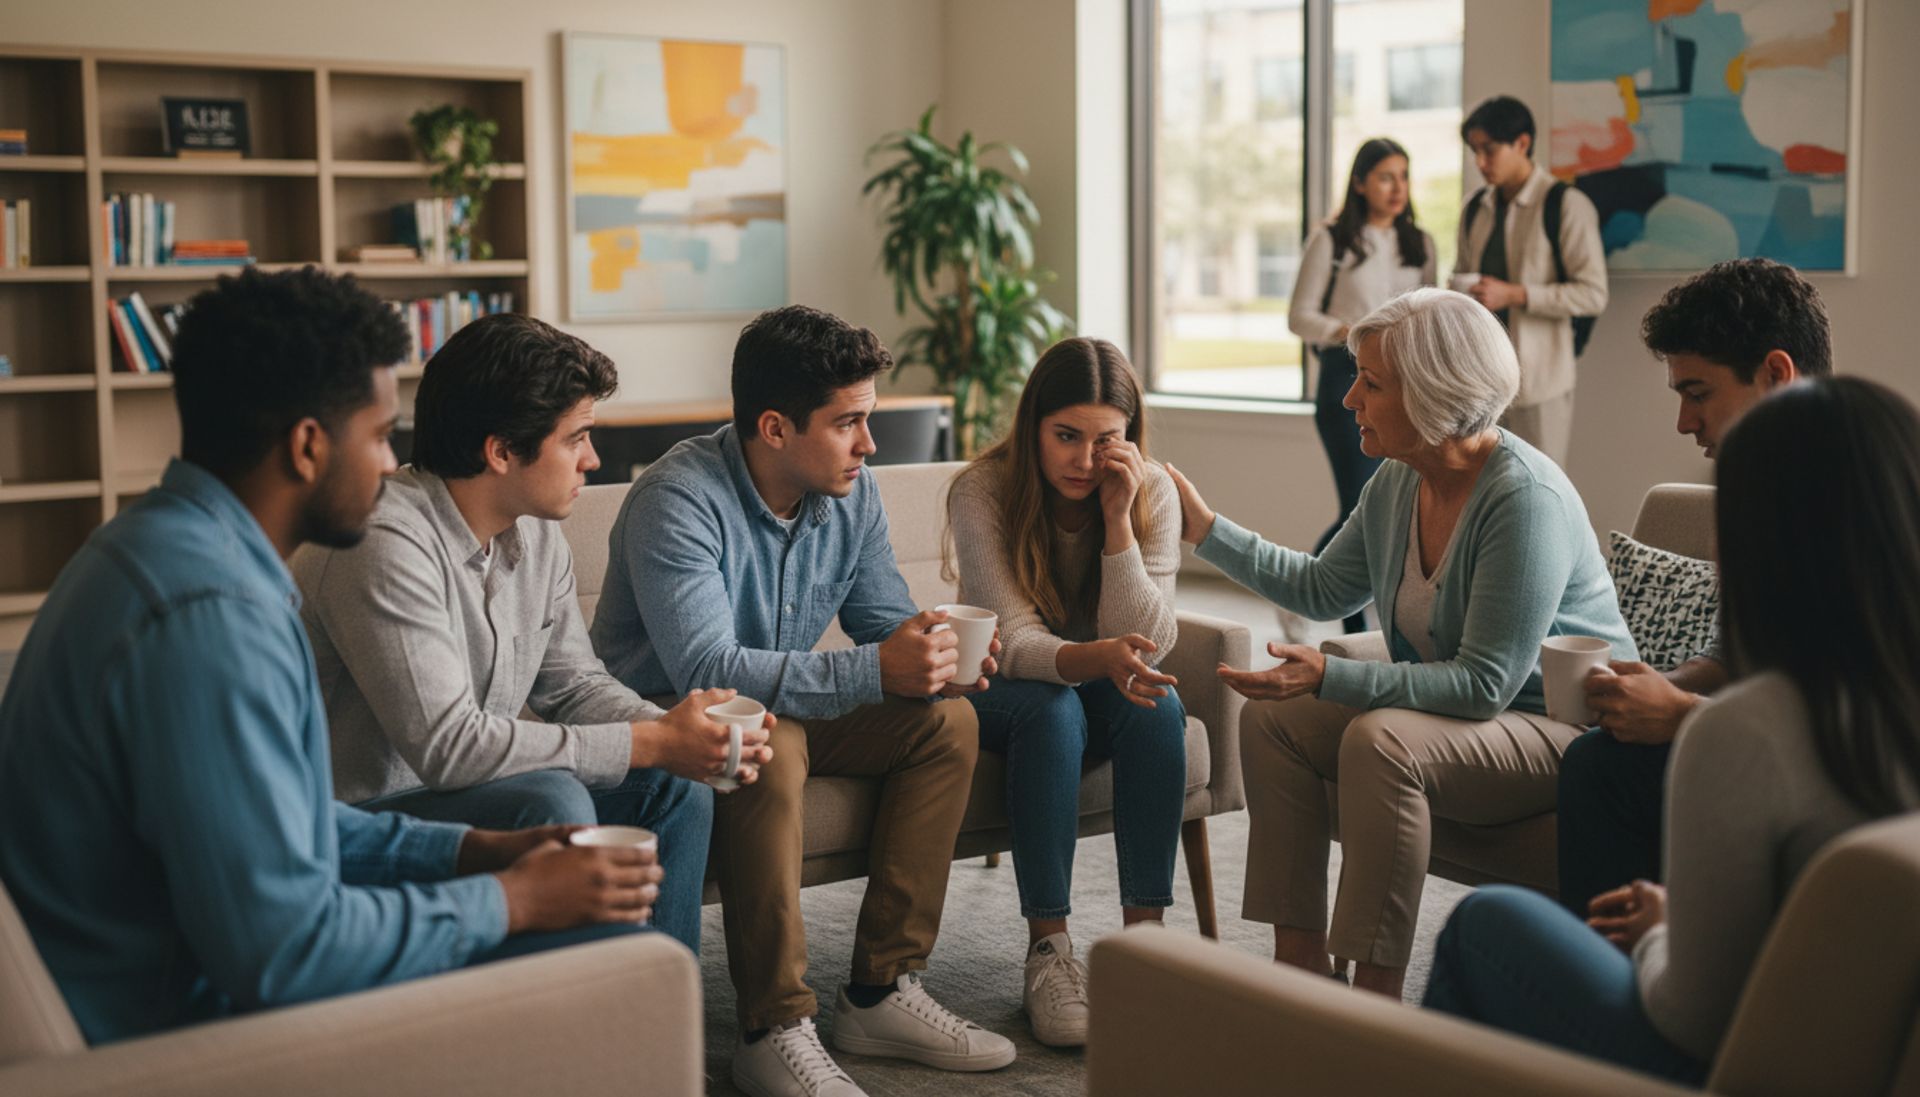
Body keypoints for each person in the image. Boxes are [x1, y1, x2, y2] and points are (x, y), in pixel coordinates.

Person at [0, 269, 663, 1045]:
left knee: (562, 888)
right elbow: (288, 953)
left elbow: (288, 825)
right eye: (379, 436)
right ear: (309, 446)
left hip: (174, 972)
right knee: (565, 993)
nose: (391, 465)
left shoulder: (159, 546)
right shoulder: (213, 618)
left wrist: (471, 848)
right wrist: (513, 900)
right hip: (168, 1033)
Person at [1424, 376, 1920, 1083]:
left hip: (1745, 1069)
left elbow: (1693, 1018)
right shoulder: (1886, 701)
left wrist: (1664, 932)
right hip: (1860, 1055)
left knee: (1484, 924)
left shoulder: (1750, 732)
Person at [1163, 288, 1635, 1000]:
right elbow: (1323, 587)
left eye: (1372, 383)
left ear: (1435, 393)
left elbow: (1483, 685)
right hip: (1472, 718)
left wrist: (1331, 676)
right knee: (1270, 719)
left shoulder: (1524, 499)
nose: (1349, 398)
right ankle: (1300, 968)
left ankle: (1373, 995)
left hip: (1560, 729)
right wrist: (1205, 530)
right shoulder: (1397, 480)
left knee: (1380, 740)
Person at [591, 305, 1014, 1096]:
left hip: (782, 700)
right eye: (848, 422)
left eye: (868, 418)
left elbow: (881, 620)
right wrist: (876, 669)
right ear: (775, 428)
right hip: (673, 717)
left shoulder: (851, 491)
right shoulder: (677, 499)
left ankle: (882, 989)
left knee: (946, 722)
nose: (869, 444)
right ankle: (773, 1026)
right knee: (771, 743)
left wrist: (931, 655)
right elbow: (709, 668)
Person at [291, 313, 770, 955]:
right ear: (501, 451)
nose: (592, 459)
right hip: (356, 827)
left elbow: (574, 685)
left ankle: (655, 1004)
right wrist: (650, 741)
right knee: (548, 797)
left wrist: (680, 736)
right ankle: (562, 1011)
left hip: (465, 798)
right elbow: (449, 748)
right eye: (577, 439)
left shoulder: (536, 530)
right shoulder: (381, 541)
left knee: (675, 784)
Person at [1557, 258, 1833, 916]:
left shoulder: (1852, 501)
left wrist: (1681, 714)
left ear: (1776, 374)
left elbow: (1844, 722)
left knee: (1600, 770)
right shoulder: (1756, 492)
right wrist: (1653, 687)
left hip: (1820, 775)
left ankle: (1624, 965)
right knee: (1603, 754)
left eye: (1698, 393)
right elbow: (1736, 653)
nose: (1684, 422)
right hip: (1752, 741)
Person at [945, 337, 1187, 1047]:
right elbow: (1015, 642)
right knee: (1053, 709)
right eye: (1066, 436)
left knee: (1157, 701)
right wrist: (1097, 658)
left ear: (1129, 436)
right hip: (1000, 688)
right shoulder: (982, 490)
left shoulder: (1153, 490)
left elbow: (1148, 641)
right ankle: (1048, 950)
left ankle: (1144, 946)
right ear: (1034, 427)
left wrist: (1118, 522)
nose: (1084, 460)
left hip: (1096, 678)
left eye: (1105, 439)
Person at [1289, 137, 1439, 632]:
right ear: (1359, 183)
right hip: (1345, 381)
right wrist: (1352, 332)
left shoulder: (1421, 243)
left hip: (1406, 386)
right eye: (1385, 177)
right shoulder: (1331, 241)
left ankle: (1302, 590)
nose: (1398, 188)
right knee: (1360, 505)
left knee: (1390, 507)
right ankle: (1348, 627)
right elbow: (1299, 316)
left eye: (1404, 176)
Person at [1454, 95, 1608, 466]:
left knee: (1540, 485)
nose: (1480, 162)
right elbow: (1460, 272)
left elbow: (1593, 294)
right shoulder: (1475, 208)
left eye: (1489, 150)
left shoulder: (1565, 205)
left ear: (1522, 143)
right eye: (1475, 151)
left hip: (1540, 384)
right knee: (1477, 488)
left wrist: (1517, 295)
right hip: (1480, 383)